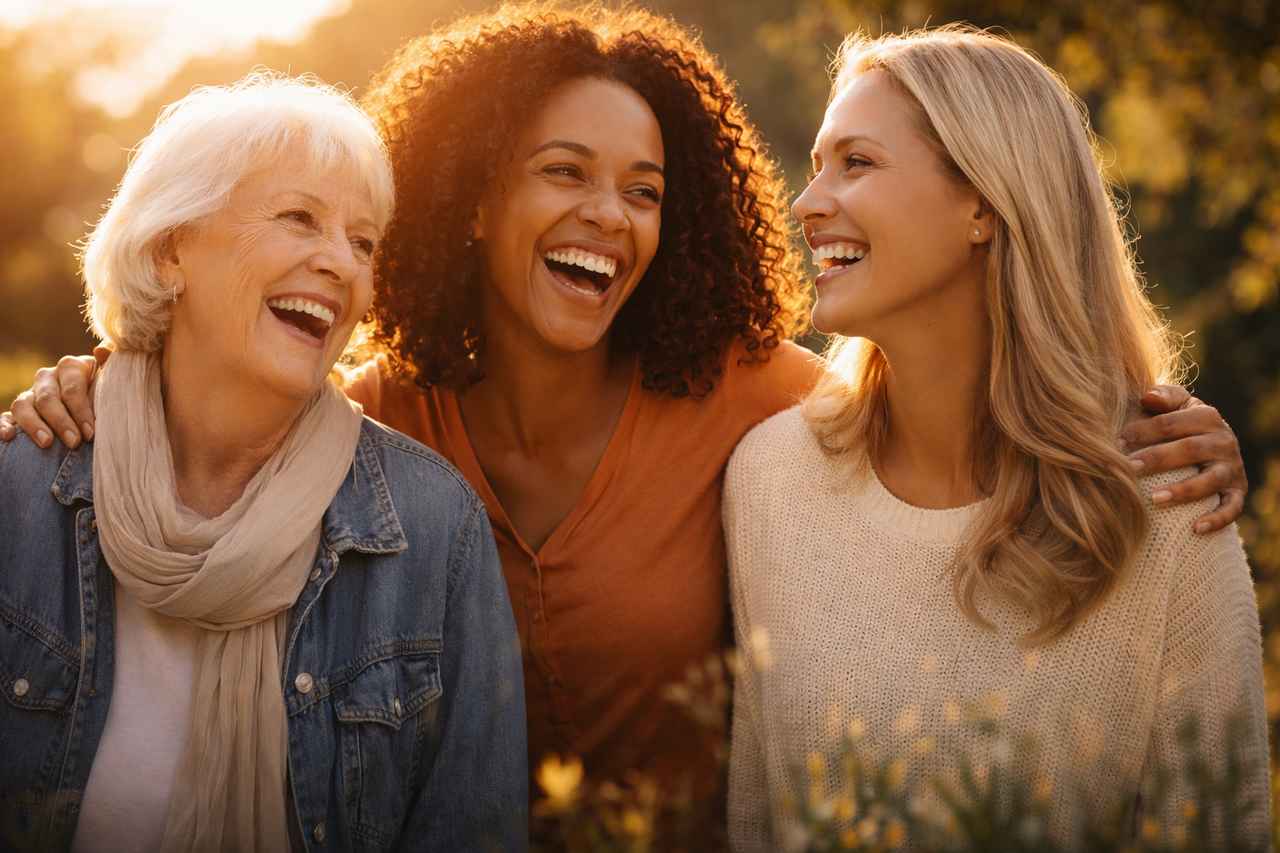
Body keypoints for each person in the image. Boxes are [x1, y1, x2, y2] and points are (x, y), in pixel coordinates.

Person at [0, 4, 1249, 829]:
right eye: (563, 173)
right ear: (474, 197)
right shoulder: (364, 435)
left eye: (644, 190)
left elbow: (941, 442)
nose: (609, 214)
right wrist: (101, 376)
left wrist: (1141, 423)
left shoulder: (762, 420)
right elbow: (222, 384)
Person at [724, 26, 1268, 851]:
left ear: (983, 202)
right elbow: (755, 819)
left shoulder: (1167, 504)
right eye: (816, 167)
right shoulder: (768, 481)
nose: (806, 204)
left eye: (856, 163)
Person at [0, 73, 526, 853]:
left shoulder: (433, 529)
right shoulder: (19, 495)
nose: (341, 265)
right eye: (299, 219)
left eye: (362, 242)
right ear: (170, 245)